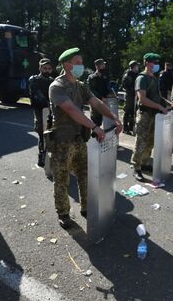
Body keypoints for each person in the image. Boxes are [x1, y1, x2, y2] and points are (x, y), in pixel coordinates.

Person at [48, 48, 122, 229]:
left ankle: (86, 207)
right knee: (62, 179)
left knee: (85, 174)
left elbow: (96, 102)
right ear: (67, 65)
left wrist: (113, 117)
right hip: (62, 141)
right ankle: (64, 213)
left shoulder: (79, 85)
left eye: (81, 62)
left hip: (79, 138)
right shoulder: (57, 86)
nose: (81, 66)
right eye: (78, 62)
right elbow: (72, 110)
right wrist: (95, 127)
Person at [131, 53, 169, 182]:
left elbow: (157, 96)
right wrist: (159, 107)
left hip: (154, 115)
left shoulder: (154, 77)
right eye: (154, 62)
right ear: (147, 63)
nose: (157, 64)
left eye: (157, 62)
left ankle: (144, 163)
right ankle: (136, 167)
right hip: (145, 114)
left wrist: (169, 104)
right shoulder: (142, 78)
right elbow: (142, 99)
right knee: (141, 142)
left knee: (151, 141)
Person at [28, 58, 54, 167]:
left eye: (48, 68)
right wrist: (47, 103)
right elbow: (36, 94)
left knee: (52, 132)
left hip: (51, 109)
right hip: (39, 109)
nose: (46, 70)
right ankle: (41, 155)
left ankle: (51, 156)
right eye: (44, 68)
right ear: (40, 68)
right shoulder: (34, 79)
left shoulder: (52, 80)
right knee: (41, 131)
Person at [87, 58, 114, 127]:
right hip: (96, 101)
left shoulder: (105, 76)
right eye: (102, 65)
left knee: (105, 120)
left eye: (104, 65)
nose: (104, 66)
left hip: (104, 101)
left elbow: (107, 88)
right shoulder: (92, 77)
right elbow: (92, 90)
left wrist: (111, 94)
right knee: (96, 121)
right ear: (97, 66)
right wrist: (101, 97)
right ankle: (95, 135)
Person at [121, 60, 139, 135]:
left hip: (135, 95)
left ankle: (131, 127)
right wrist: (133, 91)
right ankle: (125, 128)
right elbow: (126, 86)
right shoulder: (128, 74)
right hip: (130, 95)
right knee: (127, 111)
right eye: (137, 66)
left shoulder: (136, 74)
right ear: (134, 66)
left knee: (133, 112)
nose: (138, 67)